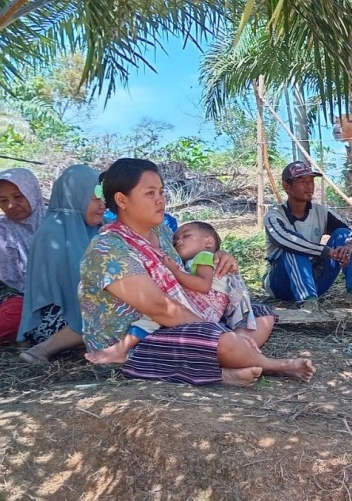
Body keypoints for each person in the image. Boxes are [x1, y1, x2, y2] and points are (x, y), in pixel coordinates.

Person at [79, 158, 314, 386]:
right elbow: (162, 309)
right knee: (219, 339)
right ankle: (272, 365)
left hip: (176, 317)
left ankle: (229, 364)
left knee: (261, 314)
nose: (160, 200)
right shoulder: (108, 248)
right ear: (122, 199)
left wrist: (219, 256)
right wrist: (215, 329)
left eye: (161, 192)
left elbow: (191, 260)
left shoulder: (160, 232)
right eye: (150, 194)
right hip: (134, 339)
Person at [87, 220, 257, 365]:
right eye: (175, 240)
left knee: (152, 317)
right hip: (207, 314)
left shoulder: (204, 256)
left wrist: (175, 272)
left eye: (186, 236)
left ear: (208, 242)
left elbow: (203, 285)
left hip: (202, 308)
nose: (179, 242)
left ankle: (121, 348)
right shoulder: (197, 258)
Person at [17, 165, 105, 363]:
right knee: (113, 309)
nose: (102, 206)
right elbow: (75, 286)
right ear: (76, 199)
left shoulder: (96, 228)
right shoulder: (53, 233)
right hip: (53, 319)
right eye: (95, 200)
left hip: (83, 308)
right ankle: (40, 350)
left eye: (103, 199)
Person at [263, 161, 352, 305]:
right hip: (281, 284)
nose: (309, 186)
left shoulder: (321, 212)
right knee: (294, 245)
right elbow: (287, 241)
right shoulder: (274, 216)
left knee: (344, 234)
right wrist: (326, 251)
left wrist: (349, 246)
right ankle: (308, 301)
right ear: (286, 186)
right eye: (302, 181)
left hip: (315, 279)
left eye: (311, 180)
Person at [0, 167, 46, 343]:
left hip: (55, 299)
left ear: (31, 191)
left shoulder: (57, 222)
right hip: (15, 296)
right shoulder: (3, 229)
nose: (11, 206)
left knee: (12, 317)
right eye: (2, 201)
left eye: (18, 197)